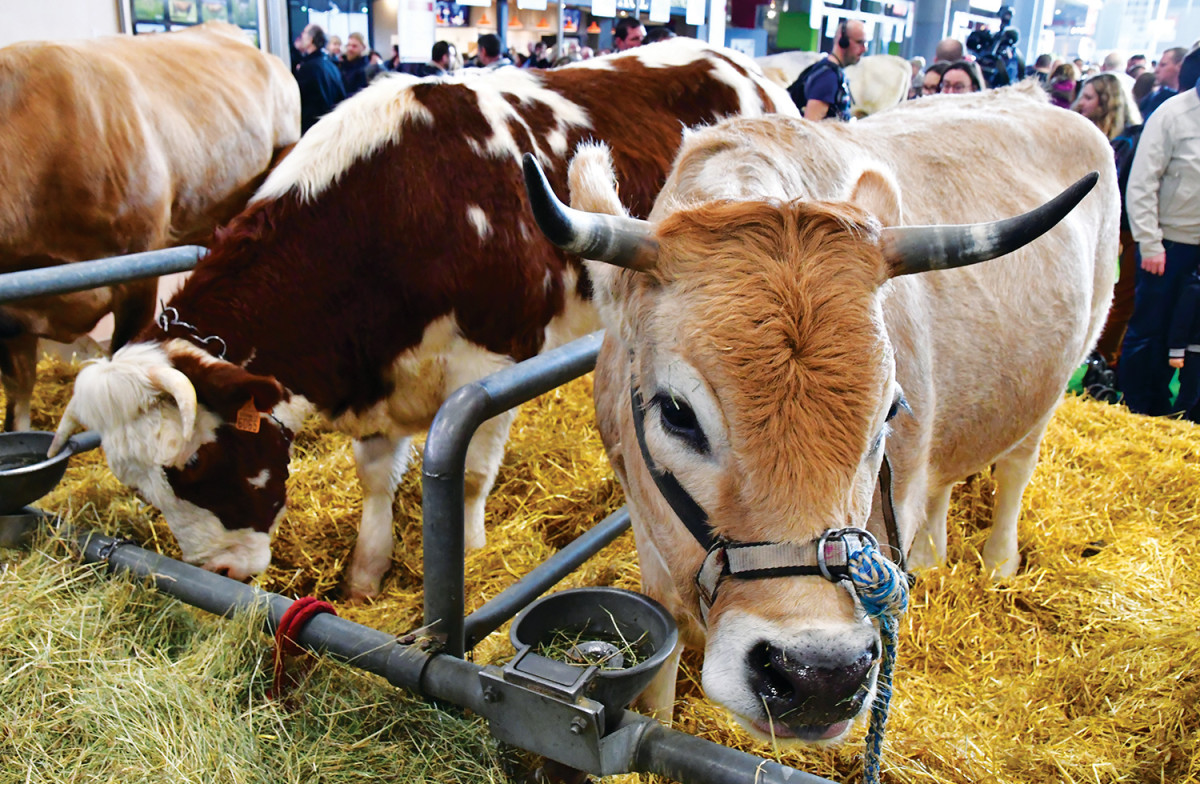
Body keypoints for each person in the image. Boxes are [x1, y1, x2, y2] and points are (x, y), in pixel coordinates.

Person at [1118, 48, 1200, 416]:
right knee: (1151, 327)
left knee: (1194, 338)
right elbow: (1142, 183)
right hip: (1167, 244)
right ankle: (1141, 405)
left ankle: (1189, 408)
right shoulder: (1172, 114)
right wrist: (1150, 243)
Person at [1072, 73, 1143, 371]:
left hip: (1122, 225)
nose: (1081, 103)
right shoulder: (1078, 134)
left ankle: (1104, 357)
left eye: (1088, 97)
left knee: (1117, 293)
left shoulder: (1126, 141)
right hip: (1088, 221)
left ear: (1107, 102)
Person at [786, 19, 866, 121]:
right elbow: (810, 126)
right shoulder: (828, 78)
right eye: (860, 42)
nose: (864, 49)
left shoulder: (832, 72)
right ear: (843, 41)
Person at [293, 24, 346, 134]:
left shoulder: (308, 68)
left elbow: (298, 101)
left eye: (304, 34)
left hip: (313, 131)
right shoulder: (332, 66)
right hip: (332, 128)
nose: (301, 36)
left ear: (310, 40)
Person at [1167, 267, 1200, 421]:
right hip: (1194, 353)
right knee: (1190, 393)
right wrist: (1177, 351)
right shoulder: (1193, 291)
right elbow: (1181, 323)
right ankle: (1178, 422)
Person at [1139, 47, 1187, 119]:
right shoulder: (1153, 97)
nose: (1156, 70)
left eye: (1163, 65)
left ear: (1180, 66)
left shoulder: (1188, 103)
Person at [340, 31, 370, 97]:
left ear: (363, 48)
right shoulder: (344, 65)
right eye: (349, 45)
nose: (350, 48)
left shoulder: (365, 69)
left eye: (354, 46)